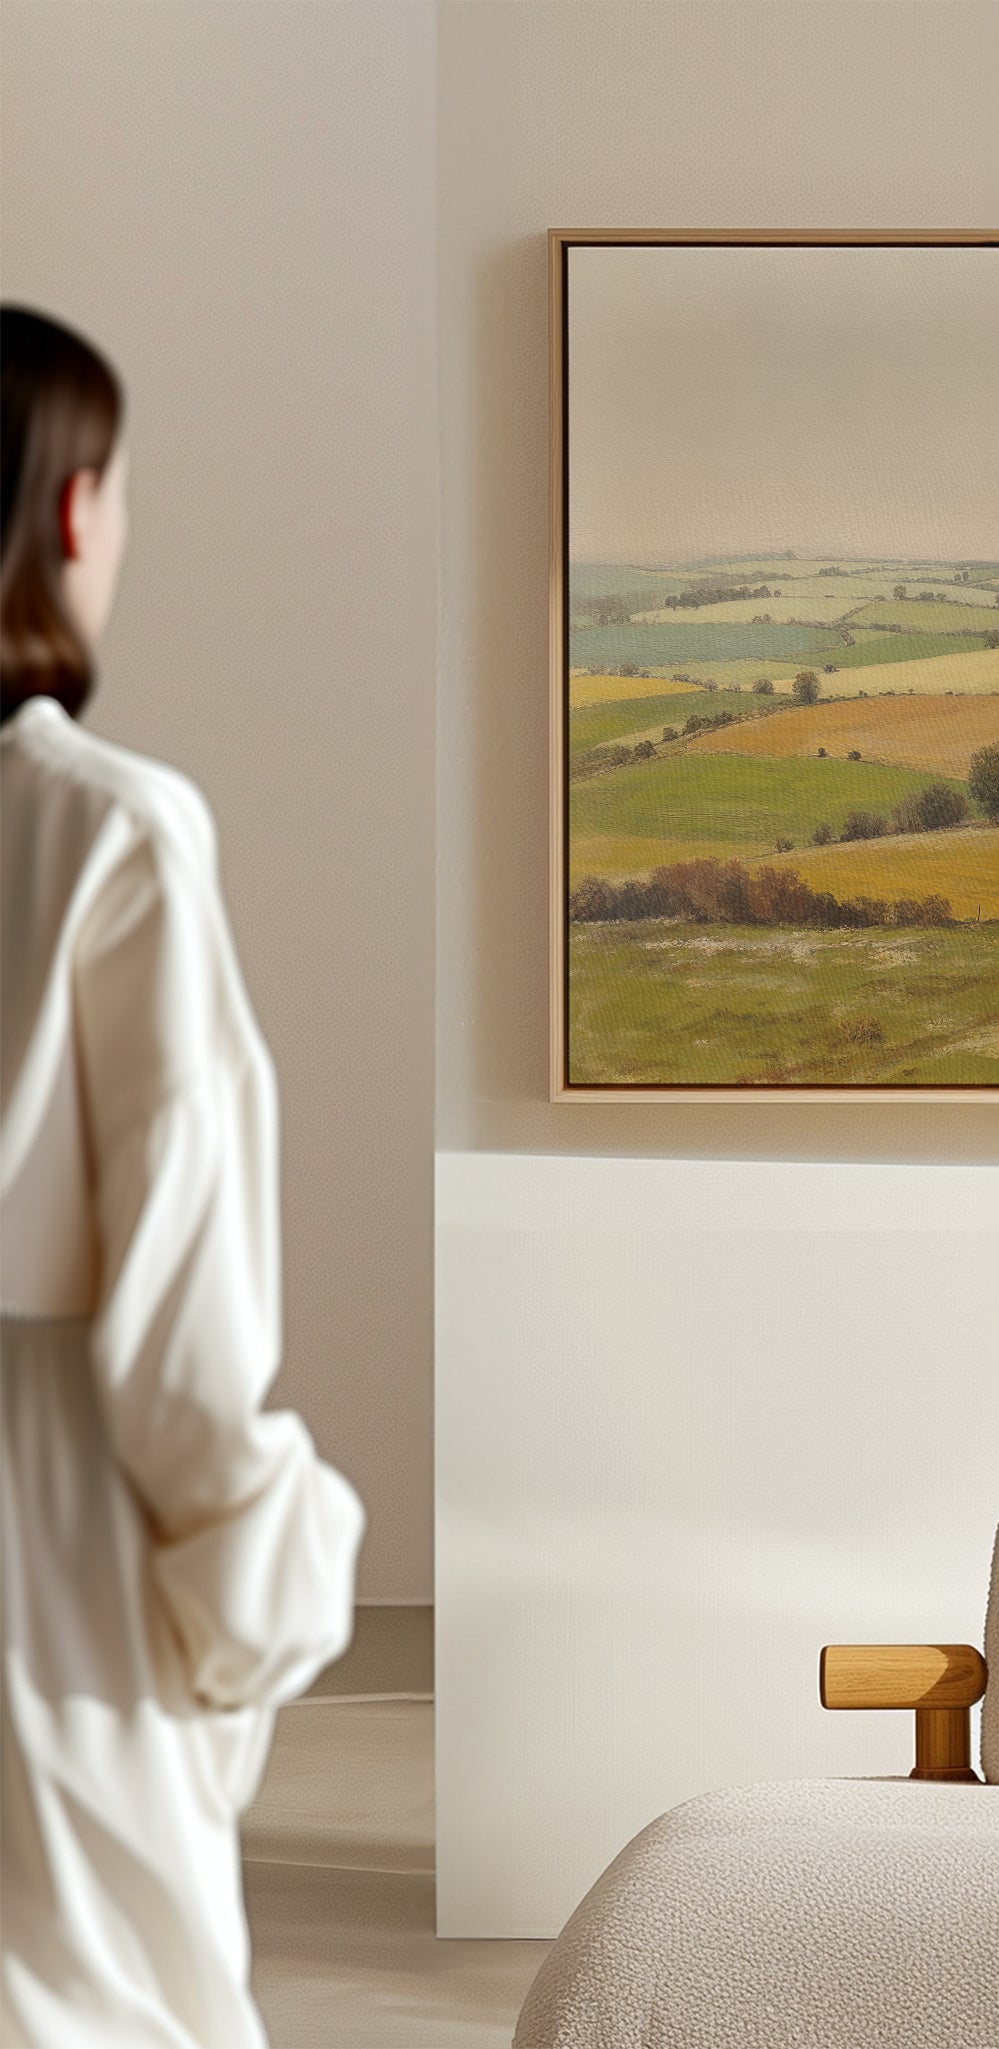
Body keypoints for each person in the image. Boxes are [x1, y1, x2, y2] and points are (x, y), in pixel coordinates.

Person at [0, 306, 363, 2047]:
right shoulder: (108, 830)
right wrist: (262, 1582)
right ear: (73, 510)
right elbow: (177, 1339)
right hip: (40, 1541)